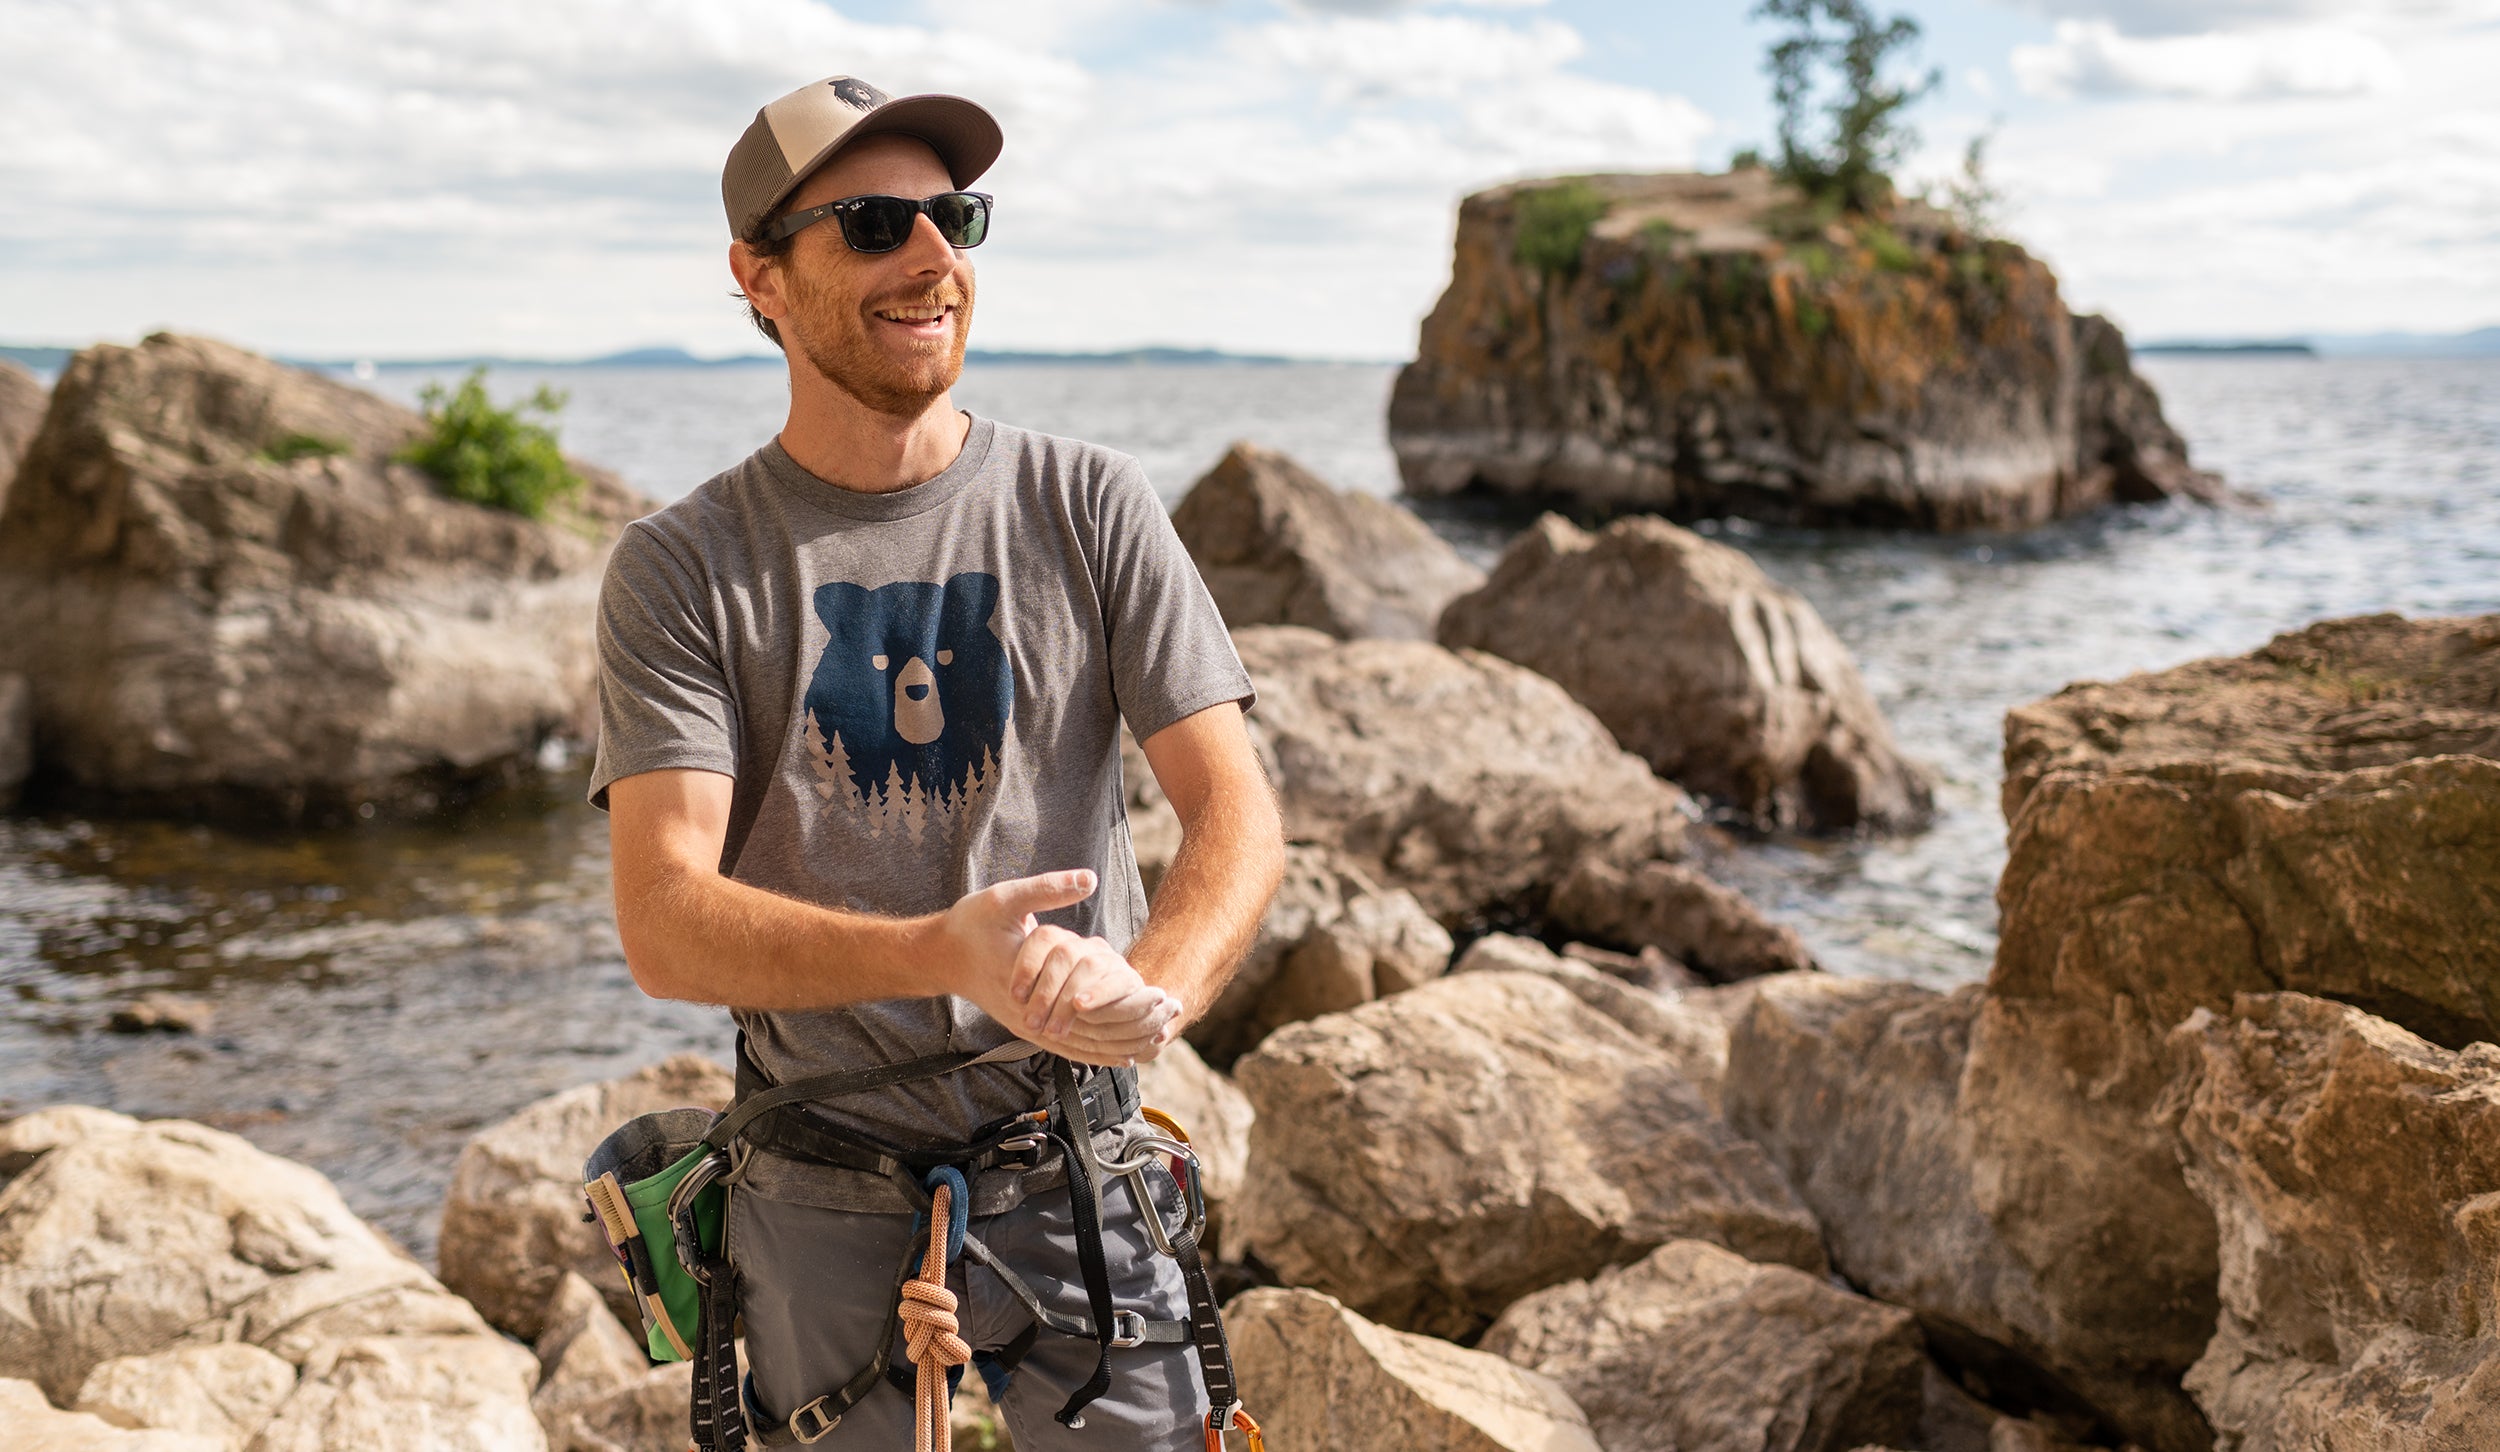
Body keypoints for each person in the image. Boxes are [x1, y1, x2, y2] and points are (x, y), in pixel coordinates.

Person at [590, 73, 1285, 1452]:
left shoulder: (1088, 503)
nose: (933, 258)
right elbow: (665, 923)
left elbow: (1238, 819)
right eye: (870, 223)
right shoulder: (682, 569)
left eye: (955, 217)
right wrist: (945, 955)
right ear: (759, 277)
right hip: (817, 1184)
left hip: (1078, 1157)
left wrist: (1150, 995)